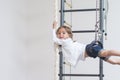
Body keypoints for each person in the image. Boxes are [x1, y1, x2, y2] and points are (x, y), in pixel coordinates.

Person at [52, 21, 120, 66]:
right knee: (113, 61)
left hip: (89, 49)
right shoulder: (65, 44)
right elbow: (60, 48)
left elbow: (55, 40)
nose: (61, 35)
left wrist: (53, 29)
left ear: (69, 35)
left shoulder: (65, 41)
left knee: (108, 52)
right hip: (90, 51)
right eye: (58, 33)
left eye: (63, 33)